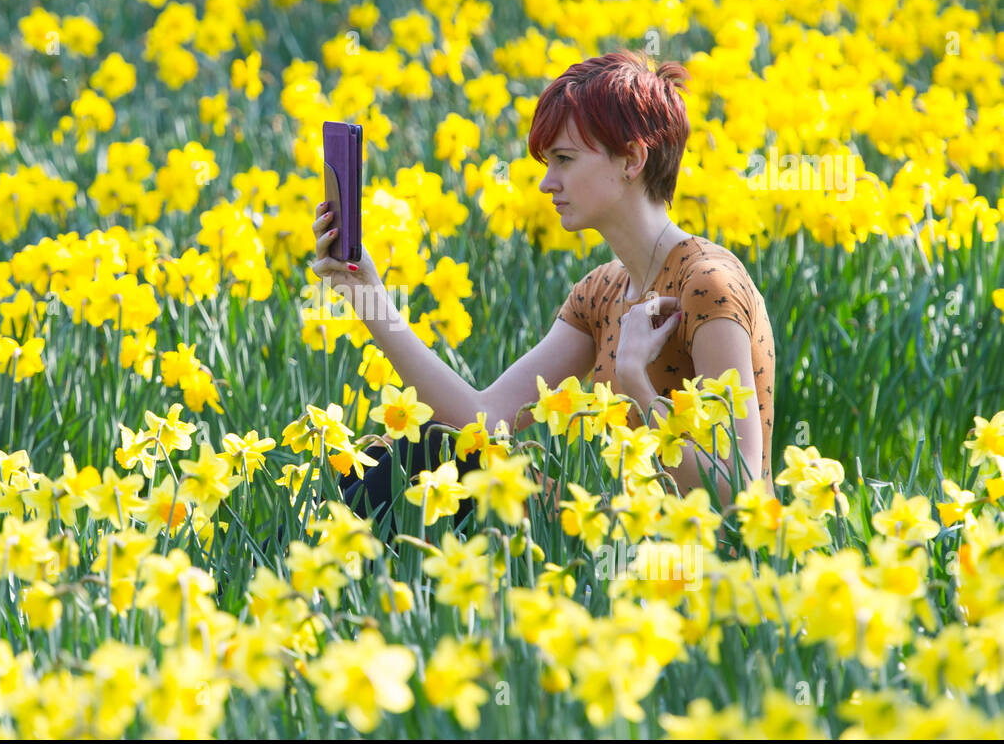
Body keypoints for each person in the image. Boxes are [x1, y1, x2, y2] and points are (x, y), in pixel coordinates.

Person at [308, 50, 776, 529]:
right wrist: (363, 290)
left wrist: (635, 379)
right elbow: (482, 419)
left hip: (697, 566)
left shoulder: (707, 284)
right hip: (613, 537)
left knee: (431, 454)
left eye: (564, 160)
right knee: (428, 445)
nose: (548, 183)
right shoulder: (601, 292)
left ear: (633, 158)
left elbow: (742, 492)